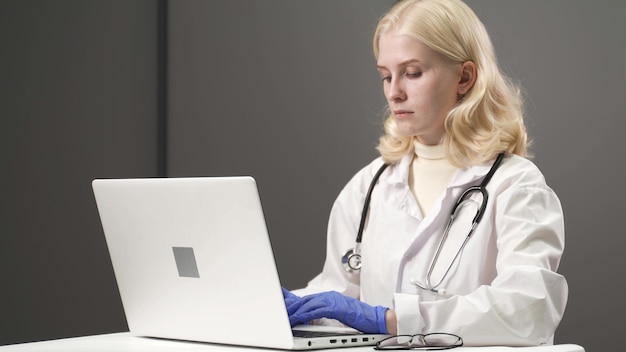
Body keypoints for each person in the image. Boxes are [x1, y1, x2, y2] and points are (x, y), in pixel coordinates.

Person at [283, 0, 568, 347]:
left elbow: (528, 308)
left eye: (412, 72)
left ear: (464, 77)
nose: (393, 92)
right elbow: (340, 293)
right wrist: (290, 304)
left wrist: (389, 320)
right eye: (386, 75)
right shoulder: (368, 186)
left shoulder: (515, 186)